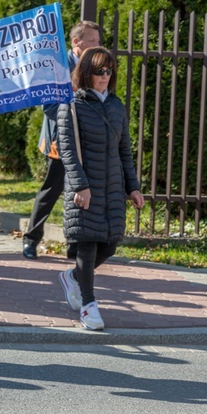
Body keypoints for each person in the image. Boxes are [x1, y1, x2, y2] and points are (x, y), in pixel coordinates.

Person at [56, 46, 144, 331]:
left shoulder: (117, 106)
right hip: (85, 187)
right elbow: (67, 150)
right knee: (88, 244)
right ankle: (88, 306)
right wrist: (81, 185)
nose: (105, 76)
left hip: (112, 187)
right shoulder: (71, 105)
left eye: (108, 71)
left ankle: (73, 277)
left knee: (110, 242)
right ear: (85, 73)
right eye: (98, 71)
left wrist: (133, 187)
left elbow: (124, 152)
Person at [23, 20, 101, 260]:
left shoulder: (95, 66)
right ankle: (31, 240)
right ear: (76, 42)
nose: (97, 46)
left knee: (80, 191)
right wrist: (72, 120)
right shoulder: (58, 66)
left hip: (87, 141)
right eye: (92, 41)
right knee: (52, 190)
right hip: (61, 141)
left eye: (99, 42)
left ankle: (75, 245)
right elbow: (48, 107)